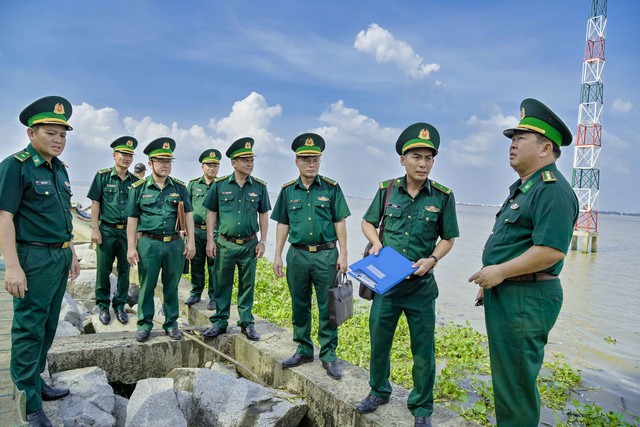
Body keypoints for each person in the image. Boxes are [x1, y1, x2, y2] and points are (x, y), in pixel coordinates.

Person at [468, 98, 579, 427]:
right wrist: (494, 282)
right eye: (512, 138)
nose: (512, 144)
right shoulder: (525, 188)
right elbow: (515, 244)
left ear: (546, 148)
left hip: (526, 299)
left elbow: (551, 251)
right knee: (507, 380)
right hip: (510, 293)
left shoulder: (553, 190)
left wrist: (500, 271)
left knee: (516, 384)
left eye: (521, 138)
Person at [356, 123, 459, 427]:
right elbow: (367, 222)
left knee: (423, 349)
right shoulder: (387, 190)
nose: (423, 164)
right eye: (416, 157)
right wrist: (375, 243)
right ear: (403, 159)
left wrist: (432, 259)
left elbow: (448, 238)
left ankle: (422, 407)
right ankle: (378, 391)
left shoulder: (442, 197)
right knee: (380, 342)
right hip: (387, 284)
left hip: (421, 287)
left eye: (429, 158)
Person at [0, 96, 81, 427]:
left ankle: (36, 382)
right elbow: (4, 217)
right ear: (32, 133)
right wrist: (13, 266)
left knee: (48, 325)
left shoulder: (60, 170)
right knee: (29, 328)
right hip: (32, 257)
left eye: (63, 134)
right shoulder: (16, 166)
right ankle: (28, 401)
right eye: (51, 133)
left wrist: (72, 252)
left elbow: (63, 216)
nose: (58, 140)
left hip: (59, 255)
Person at [271, 133, 350, 380]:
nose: (311, 164)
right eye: (306, 159)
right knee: (300, 304)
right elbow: (282, 224)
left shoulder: (332, 188)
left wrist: (344, 253)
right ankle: (304, 349)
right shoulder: (287, 191)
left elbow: (340, 221)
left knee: (329, 307)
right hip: (298, 256)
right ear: (297, 161)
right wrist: (277, 255)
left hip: (326, 255)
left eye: (315, 159)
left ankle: (328, 355)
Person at [125, 137, 196, 342]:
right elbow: (132, 219)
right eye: (161, 161)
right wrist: (131, 247)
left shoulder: (180, 188)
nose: (166, 165)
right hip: (149, 243)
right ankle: (144, 324)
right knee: (147, 285)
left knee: (172, 285)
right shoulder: (138, 188)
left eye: (169, 161)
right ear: (150, 163)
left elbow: (189, 216)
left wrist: (190, 242)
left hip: (174, 243)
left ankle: (171, 323)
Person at [202, 137, 270, 341]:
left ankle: (246, 323)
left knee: (247, 285)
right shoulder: (220, 185)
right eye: (245, 160)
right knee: (222, 283)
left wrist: (263, 241)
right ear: (233, 163)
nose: (249, 164)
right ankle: (220, 321)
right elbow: (211, 213)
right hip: (225, 243)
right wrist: (210, 240)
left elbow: (263, 214)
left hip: (249, 244)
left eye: (251, 160)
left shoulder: (259, 187)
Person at [87, 136, 138, 325]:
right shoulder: (102, 176)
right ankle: (102, 305)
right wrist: (95, 229)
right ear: (114, 155)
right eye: (123, 154)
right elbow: (95, 203)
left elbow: (138, 210)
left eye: (130, 155)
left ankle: (119, 305)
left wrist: (137, 234)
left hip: (127, 233)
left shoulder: (135, 181)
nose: (126, 158)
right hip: (106, 230)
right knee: (103, 269)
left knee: (125, 269)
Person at [185, 149, 221, 310]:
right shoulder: (193, 184)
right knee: (197, 263)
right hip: (196, 230)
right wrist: (184, 229)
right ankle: (196, 293)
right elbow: (185, 207)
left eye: (215, 165)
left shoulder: (221, 185)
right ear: (202, 167)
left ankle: (214, 297)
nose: (212, 168)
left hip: (215, 231)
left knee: (214, 266)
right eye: (209, 165)